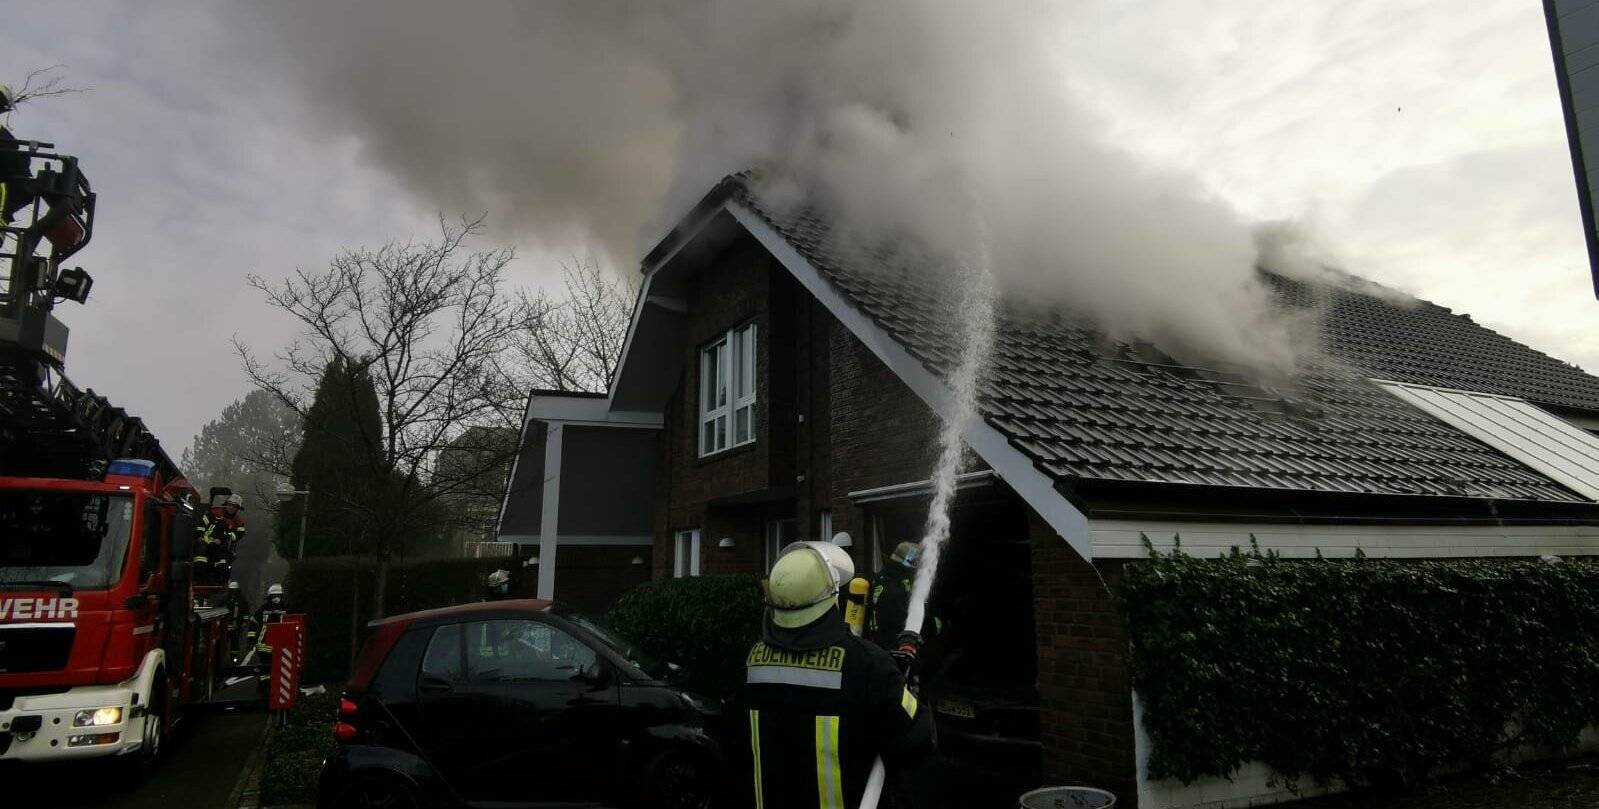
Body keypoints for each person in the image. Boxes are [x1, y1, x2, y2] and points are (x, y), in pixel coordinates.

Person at [746, 543, 934, 809]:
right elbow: (919, 741)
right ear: (832, 597)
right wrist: (902, 687)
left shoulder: (753, 662)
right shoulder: (868, 664)